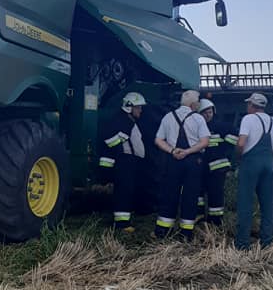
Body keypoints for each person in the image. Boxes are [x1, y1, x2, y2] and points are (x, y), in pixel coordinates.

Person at [235, 93, 273, 250]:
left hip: (250, 164)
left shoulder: (248, 119)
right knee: (267, 205)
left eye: (248, 104)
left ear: (252, 105)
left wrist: (238, 157)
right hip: (268, 165)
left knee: (245, 204)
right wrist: (271, 152)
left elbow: (241, 143)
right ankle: (267, 242)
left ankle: (242, 244)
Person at [154, 89, 210, 240]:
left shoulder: (168, 117)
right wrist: (188, 152)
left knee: (169, 193)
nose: (199, 103)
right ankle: (186, 233)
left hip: (173, 160)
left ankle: (163, 231)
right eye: (198, 101)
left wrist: (172, 151)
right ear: (193, 104)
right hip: (192, 161)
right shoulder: (198, 118)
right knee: (190, 196)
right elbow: (205, 142)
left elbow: (158, 140)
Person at [99, 91, 147, 232]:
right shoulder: (123, 122)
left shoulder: (126, 121)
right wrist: (120, 154)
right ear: (129, 107)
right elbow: (110, 141)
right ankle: (122, 224)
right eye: (138, 107)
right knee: (124, 191)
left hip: (127, 161)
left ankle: (123, 220)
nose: (140, 110)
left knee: (126, 190)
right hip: (124, 161)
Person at [197, 98, 237, 227]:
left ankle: (216, 222)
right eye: (204, 112)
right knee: (199, 194)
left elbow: (236, 138)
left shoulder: (221, 126)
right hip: (201, 167)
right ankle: (199, 217)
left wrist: (224, 146)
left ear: (213, 111)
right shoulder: (197, 127)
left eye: (209, 112)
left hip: (217, 167)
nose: (208, 115)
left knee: (215, 194)